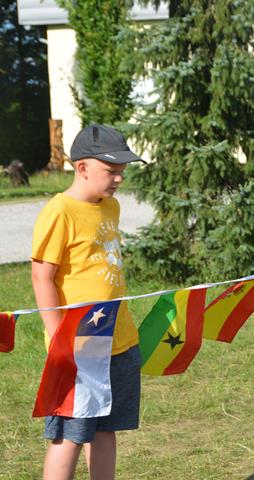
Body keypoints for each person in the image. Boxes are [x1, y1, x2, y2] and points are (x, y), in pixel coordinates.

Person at [31, 124, 146, 480]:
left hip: (119, 339)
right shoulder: (60, 211)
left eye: (122, 171)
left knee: (106, 428)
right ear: (82, 167)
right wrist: (59, 339)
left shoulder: (110, 207)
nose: (118, 179)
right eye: (111, 171)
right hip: (79, 344)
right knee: (71, 434)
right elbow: (41, 276)